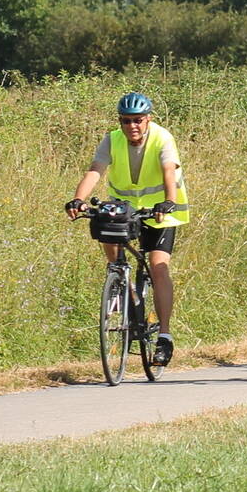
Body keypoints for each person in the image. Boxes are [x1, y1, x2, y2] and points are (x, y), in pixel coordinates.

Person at [65, 92, 189, 366]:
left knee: (158, 267)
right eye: (126, 121)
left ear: (148, 119)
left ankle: (165, 337)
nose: (132, 126)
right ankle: (124, 285)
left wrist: (169, 201)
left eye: (138, 120)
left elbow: (169, 170)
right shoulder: (112, 138)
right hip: (125, 210)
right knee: (104, 228)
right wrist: (78, 199)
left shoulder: (162, 138)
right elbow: (96, 169)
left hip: (159, 212)